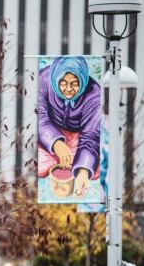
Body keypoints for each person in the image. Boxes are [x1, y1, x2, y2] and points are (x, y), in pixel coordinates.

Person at [37, 55, 102, 197]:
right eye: (63, 83)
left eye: (74, 83)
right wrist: (56, 143)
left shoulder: (94, 95)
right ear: (56, 80)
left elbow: (91, 135)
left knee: (93, 169)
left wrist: (84, 171)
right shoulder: (42, 79)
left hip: (77, 136)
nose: (68, 89)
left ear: (83, 81)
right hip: (50, 133)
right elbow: (40, 119)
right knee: (41, 166)